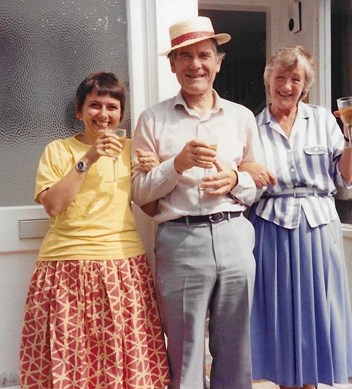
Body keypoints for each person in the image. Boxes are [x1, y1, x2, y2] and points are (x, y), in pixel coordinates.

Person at [130, 16, 262, 389]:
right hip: (181, 240)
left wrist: (237, 179)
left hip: (235, 235)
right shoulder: (152, 120)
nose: (195, 65)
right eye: (184, 56)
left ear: (218, 61)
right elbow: (139, 192)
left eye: (204, 55)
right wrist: (177, 164)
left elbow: (258, 183)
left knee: (237, 349)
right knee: (185, 352)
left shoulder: (240, 117)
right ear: (172, 64)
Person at [19, 71, 170, 389]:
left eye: (112, 107)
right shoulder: (58, 151)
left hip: (123, 266)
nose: (103, 114)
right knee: (72, 357)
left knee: (123, 357)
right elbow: (53, 206)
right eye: (95, 105)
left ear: (121, 114)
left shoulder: (132, 149)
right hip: (65, 266)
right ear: (79, 110)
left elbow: (151, 207)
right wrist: (89, 157)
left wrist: (155, 172)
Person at [240, 45, 352, 389]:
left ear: (304, 85)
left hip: (318, 227)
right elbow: (244, 181)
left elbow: (346, 178)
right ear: (269, 81)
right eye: (280, 77)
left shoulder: (325, 119)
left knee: (317, 314)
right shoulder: (252, 126)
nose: (286, 86)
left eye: (295, 79)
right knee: (278, 317)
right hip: (271, 226)